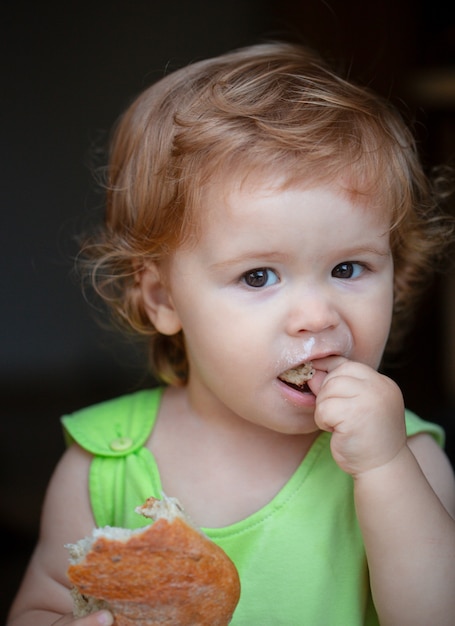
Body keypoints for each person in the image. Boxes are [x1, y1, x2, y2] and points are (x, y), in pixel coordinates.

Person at [7, 41, 455, 626]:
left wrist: (384, 468)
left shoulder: (407, 457)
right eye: (258, 275)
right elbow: (41, 609)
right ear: (164, 298)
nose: (317, 316)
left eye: (349, 269)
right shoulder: (104, 466)